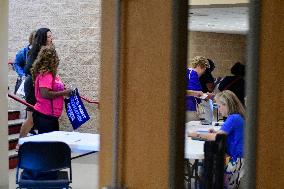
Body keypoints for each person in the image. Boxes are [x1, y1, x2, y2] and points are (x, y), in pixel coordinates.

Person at [188, 90, 245, 189]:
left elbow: (217, 137)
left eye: (219, 106)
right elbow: (221, 134)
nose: (218, 110)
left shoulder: (233, 118)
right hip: (240, 159)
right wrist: (215, 133)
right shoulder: (237, 117)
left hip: (238, 161)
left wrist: (196, 134)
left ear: (226, 104)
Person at [17, 28, 54, 141]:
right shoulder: (35, 50)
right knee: (31, 118)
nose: (51, 38)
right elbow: (28, 69)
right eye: (48, 36)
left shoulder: (49, 49)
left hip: (42, 85)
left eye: (51, 36)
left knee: (39, 118)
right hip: (33, 85)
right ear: (42, 38)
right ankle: (20, 143)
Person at [31, 45, 72, 134]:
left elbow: (54, 88)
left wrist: (63, 89)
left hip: (51, 116)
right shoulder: (45, 74)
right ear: (51, 60)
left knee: (52, 145)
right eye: (56, 57)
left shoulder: (51, 74)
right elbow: (45, 94)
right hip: (45, 115)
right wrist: (65, 92)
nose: (57, 60)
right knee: (47, 146)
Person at [186, 56, 214, 122]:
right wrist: (206, 96)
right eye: (204, 69)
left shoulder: (192, 74)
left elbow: (196, 93)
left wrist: (205, 95)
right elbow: (194, 93)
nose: (203, 72)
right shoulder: (192, 74)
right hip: (190, 108)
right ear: (199, 66)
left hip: (192, 107)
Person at [199, 59, 216, 124]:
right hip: (204, 98)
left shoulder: (196, 73)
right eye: (213, 65)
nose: (214, 67)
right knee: (206, 122)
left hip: (198, 97)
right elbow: (210, 88)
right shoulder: (207, 73)